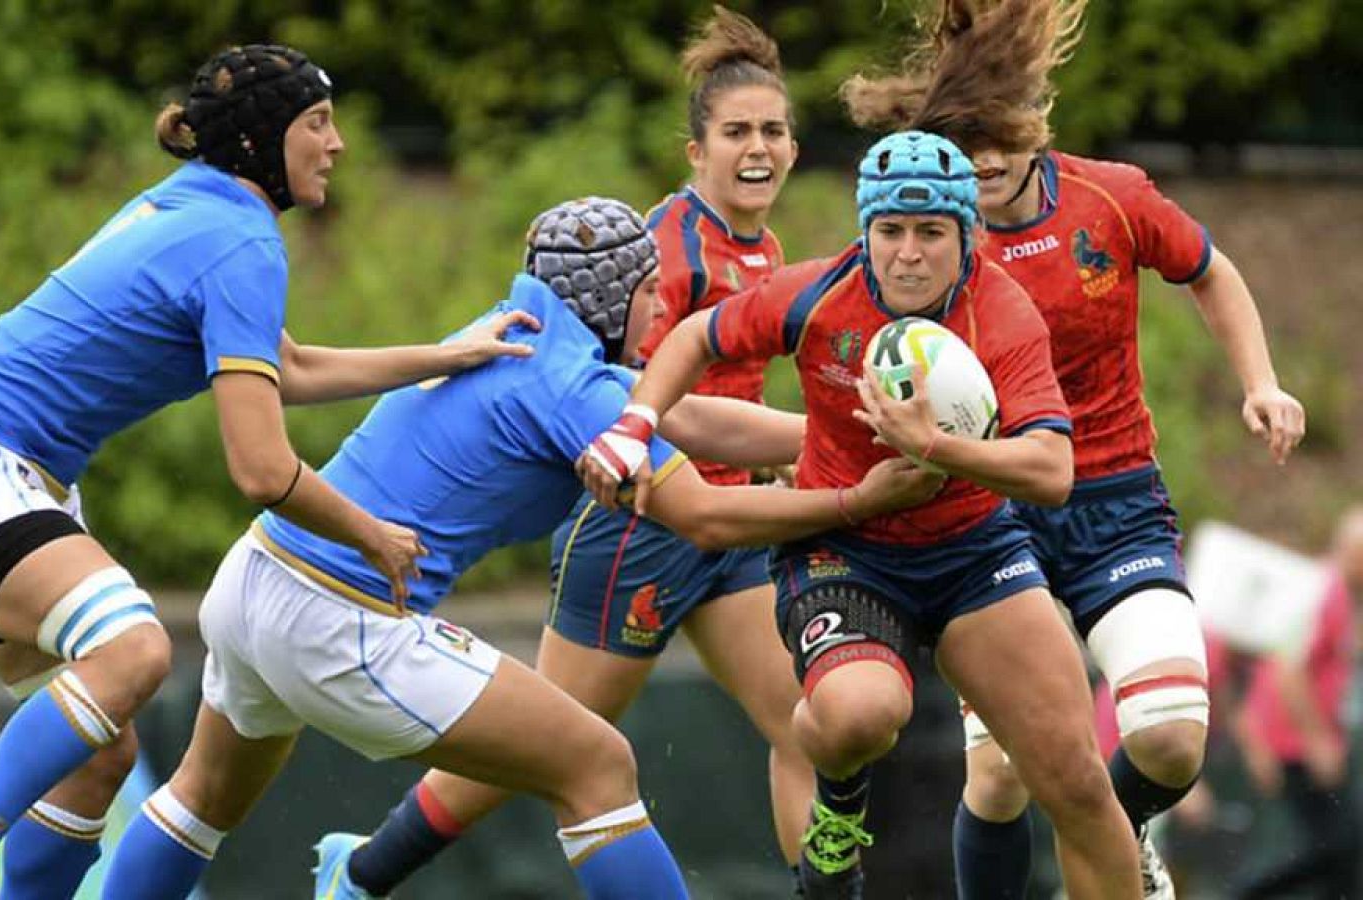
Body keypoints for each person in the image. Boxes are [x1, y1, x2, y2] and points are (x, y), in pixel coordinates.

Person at [96, 196, 943, 900]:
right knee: (598, 763)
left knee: (199, 798)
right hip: (340, 614)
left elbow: (681, 415)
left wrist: (827, 438)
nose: (661, 313)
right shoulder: (567, 383)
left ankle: (349, 881)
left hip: (252, 581)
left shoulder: (522, 328)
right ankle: (360, 878)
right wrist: (853, 498)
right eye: (652, 293)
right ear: (619, 297)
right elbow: (703, 517)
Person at [0, 44, 542, 900]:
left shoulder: (200, 209)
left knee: (104, 750)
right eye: (317, 123)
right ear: (265, 140)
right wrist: (370, 533)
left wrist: (444, 357)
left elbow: (289, 367)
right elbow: (262, 470)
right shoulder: (241, 242)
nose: (337, 144)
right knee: (134, 649)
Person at [315, 7, 823, 897]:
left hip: (726, 525)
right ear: (695, 149)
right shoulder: (664, 248)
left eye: (774, 132)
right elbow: (640, 405)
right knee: (540, 746)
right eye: (736, 131)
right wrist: (826, 447)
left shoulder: (764, 248)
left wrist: (778, 451)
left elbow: (730, 396)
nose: (758, 149)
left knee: (809, 726)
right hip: (638, 529)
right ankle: (359, 873)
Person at [580, 131, 1145, 899]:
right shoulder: (818, 294)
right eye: (890, 232)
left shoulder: (1003, 312)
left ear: (968, 235)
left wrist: (936, 447)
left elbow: (1051, 471)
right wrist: (633, 424)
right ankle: (838, 799)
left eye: (931, 233)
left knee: (1076, 781)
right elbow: (692, 338)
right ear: (865, 233)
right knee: (858, 716)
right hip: (846, 552)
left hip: (975, 550)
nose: (908, 253)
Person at [837, 2, 1307, 896]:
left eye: (994, 137)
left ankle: (1111, 837)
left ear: (1031, 124)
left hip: (1117, 505)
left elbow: (1210, 270)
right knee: (1003, 774)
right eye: (961, 141)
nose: (980, 162)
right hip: (990, 523)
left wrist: (1261, 382)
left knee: (1170, 738)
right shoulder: (928, 241)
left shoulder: (1111, 198)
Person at [1228, 507, 1362, 899]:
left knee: (1337, 849)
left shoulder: (1334, 593)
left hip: (1300, 742)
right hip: (1294, 746)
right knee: (1339, 847)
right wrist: (1317, 740)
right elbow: (1288, 669)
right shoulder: (1325, 590)